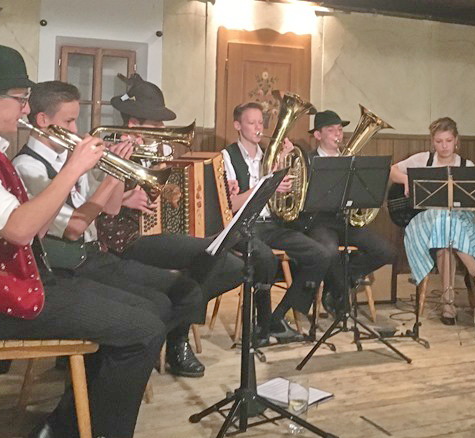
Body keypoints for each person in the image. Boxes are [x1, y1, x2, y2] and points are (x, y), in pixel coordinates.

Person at [0, 44, 161, 438]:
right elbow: (17, 232)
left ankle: (71, 426)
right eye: (20, 99)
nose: (25, 109)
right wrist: (73, 169)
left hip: (24, 281)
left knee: (148, 311)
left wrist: (78, 172)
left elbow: (35, 229)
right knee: (144, 329)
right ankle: (81, 434)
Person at [13, 81, 205, 377]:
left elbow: (111, 207)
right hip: (69, 264)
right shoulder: (28, 167)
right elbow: (75, 227)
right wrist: (105, 174)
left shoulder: (67, 158)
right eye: (69, 121)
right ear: (42, 120)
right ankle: (102, 376)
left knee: (177, 293)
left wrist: (116, 167)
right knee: (152, 307)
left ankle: (118, 369)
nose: (76, 130)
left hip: (93, 255)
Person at [96, 76, 286, 345]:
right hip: (125, 239)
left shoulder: (160, 151)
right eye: (156, 123)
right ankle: (175, 337)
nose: (163, 129)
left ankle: (174, 327)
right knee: (210, 257)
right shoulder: (107, 150)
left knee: (231, 266)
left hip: (160, 231)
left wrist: (221, 189)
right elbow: (93, 204)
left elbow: (176, 194)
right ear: (134, 124)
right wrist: (125, 198)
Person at [222, 101, 334, 341]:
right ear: (237, 126)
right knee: (266, 258)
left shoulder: (268, 156)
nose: (258, 128)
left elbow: (278, 199)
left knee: (321, 254)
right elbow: (231, 204)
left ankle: (278, 317)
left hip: (271, 224)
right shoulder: (227, 157)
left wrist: (283, 171)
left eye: (260, 123)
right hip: (242, 226)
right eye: (251, 123)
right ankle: (261, 325)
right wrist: (267, 185)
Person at [389, 117, 475, 325]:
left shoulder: (467, 166)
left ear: (456, 141)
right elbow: (391, 171)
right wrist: (407, 179)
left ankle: (448, 304)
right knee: (442, 218)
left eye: (448, 141)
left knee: (446, 237)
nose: (444, 146)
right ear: (432, 142)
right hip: (426, 221)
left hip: (460, 222)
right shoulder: (423, 159)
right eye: (439, 141)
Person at [303, 110, 396, 315]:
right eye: (331, 130)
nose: (338, 134)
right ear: (317, 135)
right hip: (319, 221)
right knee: (329, 251)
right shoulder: (308, 161)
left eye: (339, 129)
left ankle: (340, 281)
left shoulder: (352, 161)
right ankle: (339, 289)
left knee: (386, 251)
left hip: (346, 221)